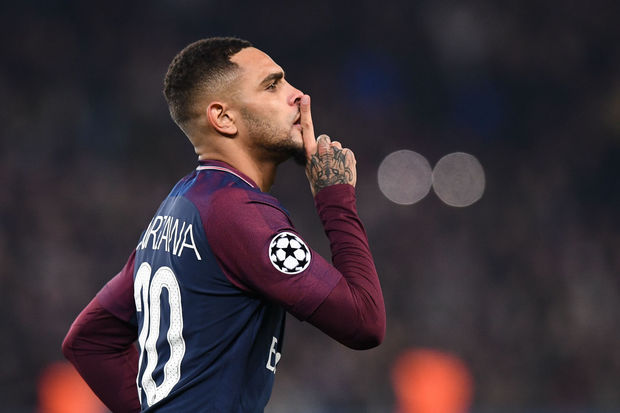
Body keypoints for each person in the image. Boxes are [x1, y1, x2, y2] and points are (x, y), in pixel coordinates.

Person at [62, 37, 385, 413]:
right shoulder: (238, 214)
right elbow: (365, 322)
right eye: (272, 85)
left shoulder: (180, 206)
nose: (299, 96)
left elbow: (89, 341)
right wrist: (336, 198)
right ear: (224, 118)